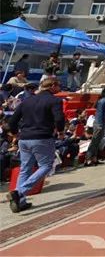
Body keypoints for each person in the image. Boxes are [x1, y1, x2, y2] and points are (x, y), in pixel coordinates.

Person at [7, 77, 65, 213]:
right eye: (58, 85)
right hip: (42, 137)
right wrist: (61, 131)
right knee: (46, 165)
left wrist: (15, 134)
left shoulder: (27, 100)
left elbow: (12, 121)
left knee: (25, 168)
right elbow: (59, 118)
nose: (60, 88)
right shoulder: (54, 100)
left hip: (24, 138)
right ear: (52, 86)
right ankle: (19, 192)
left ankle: (20, 201)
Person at [86, 86, 105, 167]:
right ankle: (88, 159)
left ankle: (94, 158)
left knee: (98, 142)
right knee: (94, 142)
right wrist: (101, 125)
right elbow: (100, 114)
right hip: (99, 124)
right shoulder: (103, 101)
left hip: (103, 123)